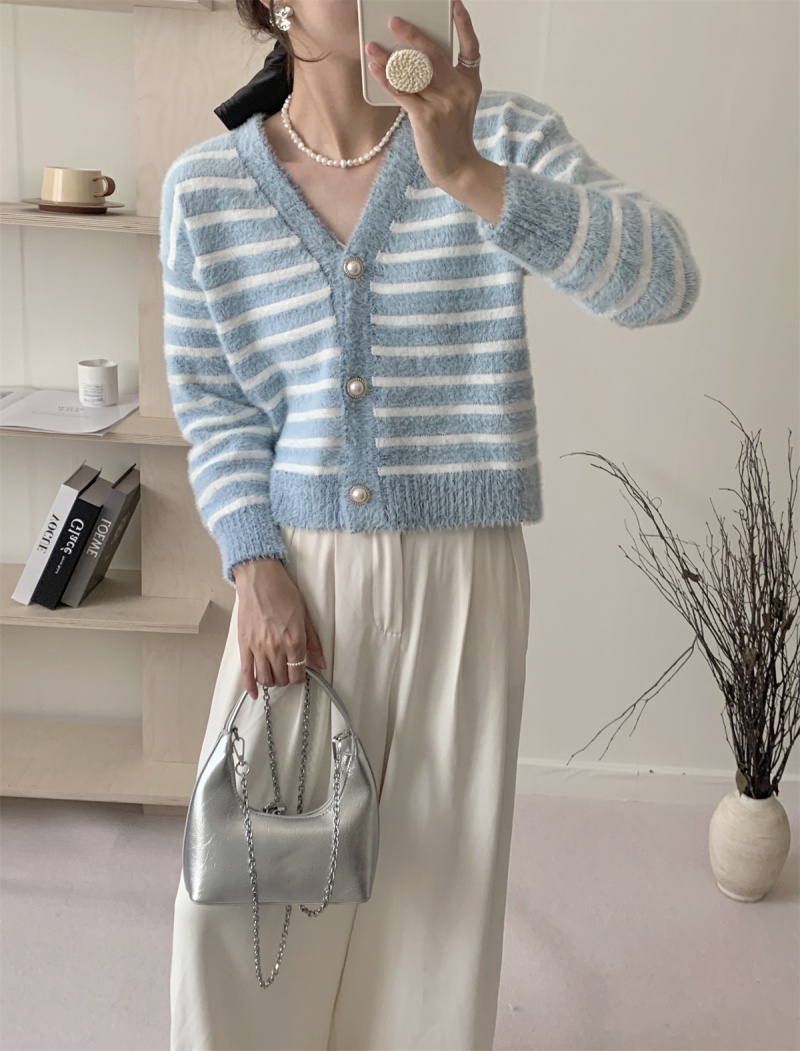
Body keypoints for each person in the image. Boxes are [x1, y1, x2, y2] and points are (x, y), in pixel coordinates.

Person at [160, 2, 701, 1048]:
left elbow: (664, 283)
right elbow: (215, 404)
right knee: (248, 892)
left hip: (463, 577)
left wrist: (467, 174)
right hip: (298, 578)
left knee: (430, 905)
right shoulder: (207, 187)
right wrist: (253, 564)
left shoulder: (500, 138)